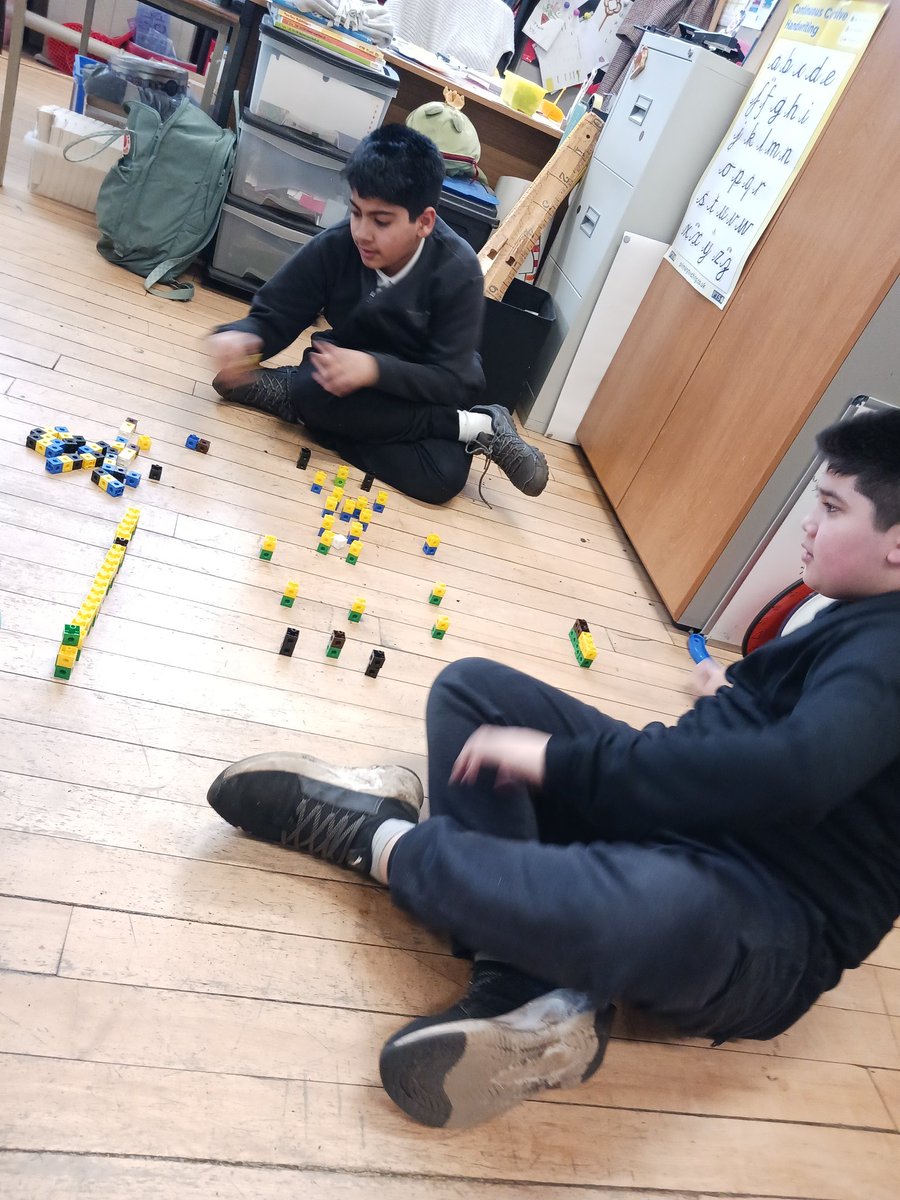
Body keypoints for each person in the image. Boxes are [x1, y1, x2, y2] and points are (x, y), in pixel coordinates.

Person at [206, 407, 900, 1129]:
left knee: (645, 907)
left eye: (830, 506)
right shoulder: (851, 608)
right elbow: (803, 738)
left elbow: (799, 772)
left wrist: (557, 762)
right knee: (473, 691)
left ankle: (381, 840)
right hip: (683, 820)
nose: (807, 525)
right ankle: (524, 986)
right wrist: (732, 697)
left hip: (759, 919)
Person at [208, 124, 548, 505]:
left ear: (425, 222)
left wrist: (374, 369)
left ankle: (473, 420)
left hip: (430, 384)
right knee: (316, 388)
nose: (361, 233)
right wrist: (247, 336)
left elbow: (451, 379)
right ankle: (470, 430)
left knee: (442, 478)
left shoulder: (458, 269)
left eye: (381, 221)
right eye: (356, 212)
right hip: (352, 367)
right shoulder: (338, 245)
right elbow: (280, 310)